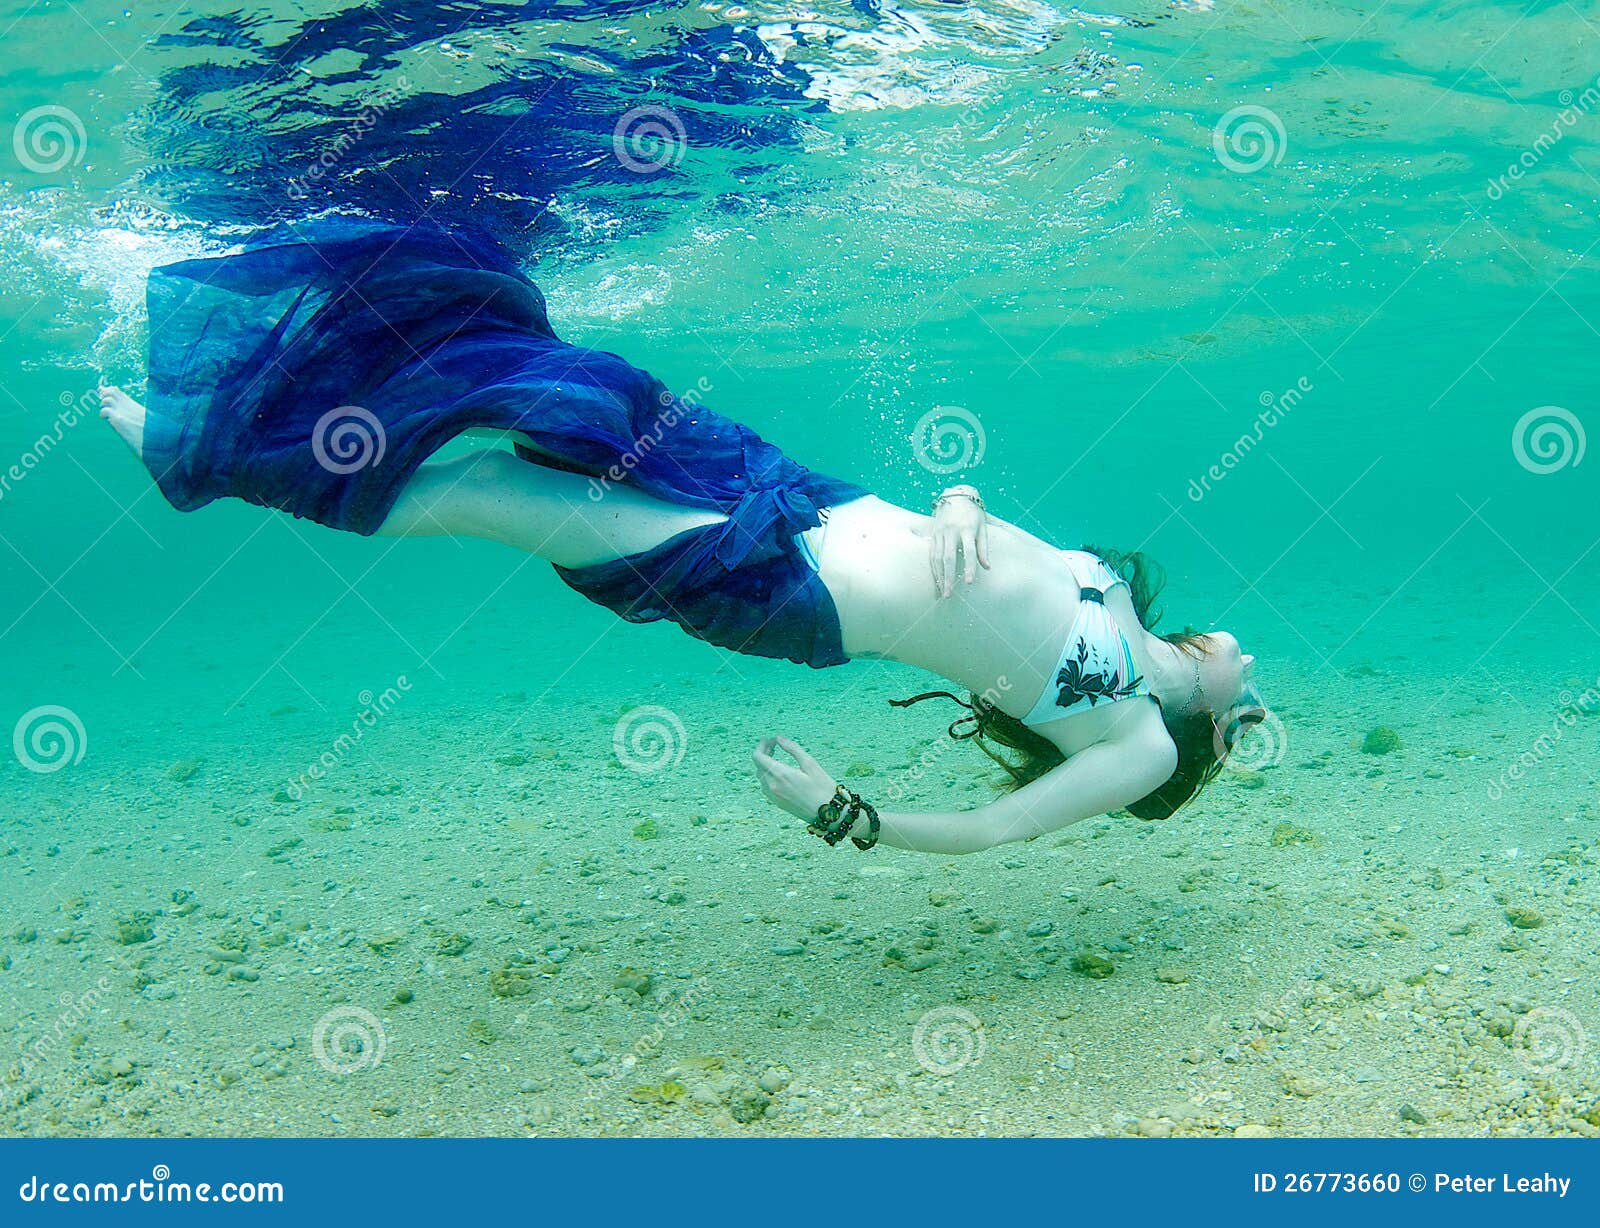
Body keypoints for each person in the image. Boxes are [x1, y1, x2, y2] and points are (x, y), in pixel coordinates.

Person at [101, 219, 1261, 856]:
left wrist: (847, 816)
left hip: (777, 581)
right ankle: (287, 367)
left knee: (487, 486)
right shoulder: (1115, 599)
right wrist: (960, 502)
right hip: (807, 492)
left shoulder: (1140, 746)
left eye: (1248, 702)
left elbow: (998, 824)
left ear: (1209, 729)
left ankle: (208, 449)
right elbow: (993, 532)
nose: (1249, 664)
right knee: (578, 392)